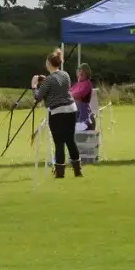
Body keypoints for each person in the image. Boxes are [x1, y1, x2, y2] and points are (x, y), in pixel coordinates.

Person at [32, 48, 81, 178]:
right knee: (70, 140)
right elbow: (59, 89)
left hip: (58, 112)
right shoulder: (65, 75)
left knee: (59, 142)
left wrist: (34, 85)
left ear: (48, 63)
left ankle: (60, 173)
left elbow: (38, 97)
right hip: (71, 109)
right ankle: (77, 171)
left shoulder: (49, 80)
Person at [71, 63, 96, 132]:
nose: (80, 73)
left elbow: (80, 94)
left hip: (83, 117)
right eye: (79, 72)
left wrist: (70, 95)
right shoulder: (77, 84)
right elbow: (69, 93)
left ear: (87, 74)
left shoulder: (87, 83)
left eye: (82, 73)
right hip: (76, 115)